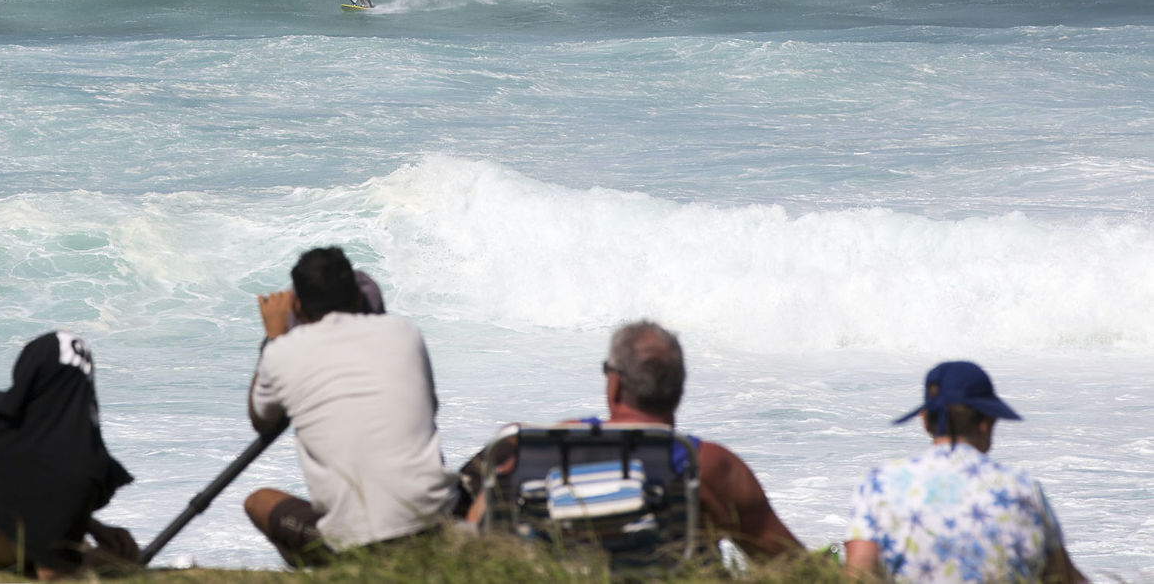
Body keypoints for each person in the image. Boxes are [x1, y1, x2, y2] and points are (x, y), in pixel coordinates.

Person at [464, 320, 803, 561]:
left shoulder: (543, 446)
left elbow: (476, 535)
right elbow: (789, 565)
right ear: (679, 388)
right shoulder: (710, 465)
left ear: (614, 384)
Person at [244, 247, 457, 566]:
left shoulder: (282, 353)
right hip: (437, 525)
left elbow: (261, 418)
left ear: (298, 306)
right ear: (358, 299)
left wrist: (274, 336)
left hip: (354, 544)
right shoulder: (404, 333)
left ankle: (336, 571)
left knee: (259, 502)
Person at [0, 331, 138, 579]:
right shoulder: (82, 467)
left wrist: (89, 525)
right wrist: (104, 561)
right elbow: (51, 573)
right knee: (73, 538)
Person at [844, 361, 1087, 584]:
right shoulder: (1023, 488)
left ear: (925, 420)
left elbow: (858, 575)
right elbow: (1063, 578)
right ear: (987, 421)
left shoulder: (880, 484)